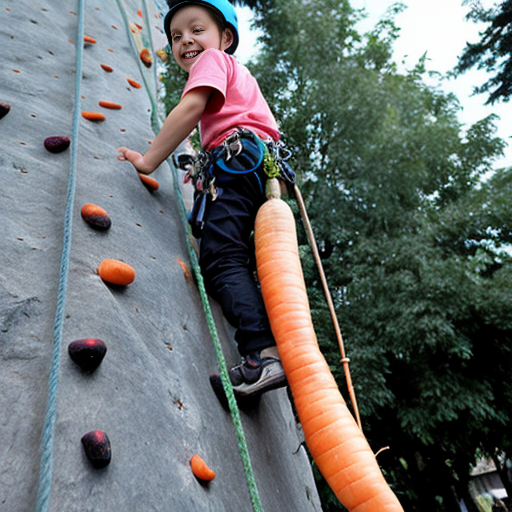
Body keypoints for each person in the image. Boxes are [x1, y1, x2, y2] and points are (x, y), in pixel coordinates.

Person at [117, 0, 292, 397]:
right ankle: (263, 345)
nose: (186, 41)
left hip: (236, 163)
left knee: (220, 259)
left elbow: (191, 108)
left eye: (197, 29)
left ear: (224, 38)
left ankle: (263, 354)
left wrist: (147, 160)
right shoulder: (240, 77)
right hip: (255, 168)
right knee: (235, 260)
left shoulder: (213, 62)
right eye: (177, 36)